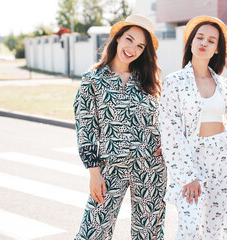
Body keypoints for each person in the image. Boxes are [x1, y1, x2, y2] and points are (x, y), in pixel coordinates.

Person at [159, 16, 227, 239]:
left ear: (217, 50)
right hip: (192, 158)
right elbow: (170, 130)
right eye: (199, 37)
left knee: (216, 227)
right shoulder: (175, 81)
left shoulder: (223, 84)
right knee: (190, 226)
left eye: (211, 41)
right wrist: (187, 175)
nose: (204, 43)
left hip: (223, 157)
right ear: (191, 42)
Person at [73, 14, 166, 240]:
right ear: (117, 39)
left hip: (150, 167)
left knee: (148, 234)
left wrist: (168, 139)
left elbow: (165, 117)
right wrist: (94, 172)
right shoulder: (92, 79)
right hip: (109, 166)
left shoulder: (149, 79)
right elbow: (85, 128)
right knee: (93, 231)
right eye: (129, 39)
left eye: (140, 45)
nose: (132, 48)